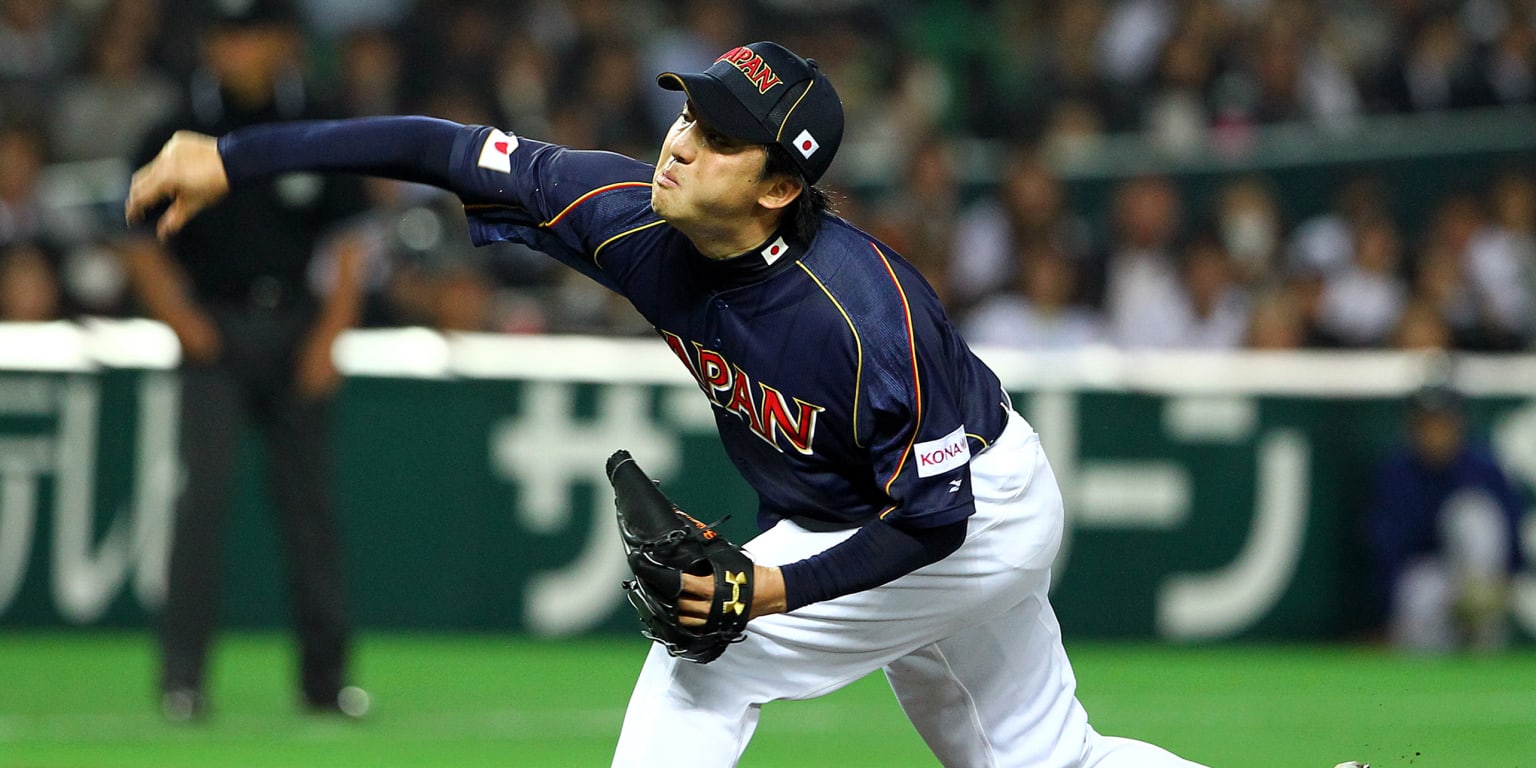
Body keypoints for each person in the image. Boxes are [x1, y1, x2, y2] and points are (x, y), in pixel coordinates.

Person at [126, 40, 1365, 768]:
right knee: (1045, 761)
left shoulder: (860, 313)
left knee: (703, 662)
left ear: (779, 185)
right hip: (893, 505)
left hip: (964, 510)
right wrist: (237, 158)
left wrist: (767, 589)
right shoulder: (628, 216)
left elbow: (931, 523)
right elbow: (446, 147)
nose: (679, 140)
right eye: (686, 110)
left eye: (717, 135)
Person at [117, 0, 369, 721]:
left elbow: (351, 241)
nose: (237, 49)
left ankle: (326, 683)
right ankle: (182, 682)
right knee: (202, 504)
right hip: (215, 328)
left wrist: (331, 334)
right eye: (226, 35)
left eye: (251, 33)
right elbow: (137, 239)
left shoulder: (317, 121)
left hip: (297, 325)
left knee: (310, 511)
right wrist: (183, 320)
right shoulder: (173, 129)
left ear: (282, 42)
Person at [1364, 383, 1526, 653]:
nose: (1435, 434)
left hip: (1481, 580)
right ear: (1412, 428)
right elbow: (1387, 549)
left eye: (1443, 424)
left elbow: (1510, 533)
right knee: (1418, 597)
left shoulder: (1484, 470)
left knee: (1471, 512)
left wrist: (1506, 580)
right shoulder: (1397, 473)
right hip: (1429, 583)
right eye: (1427, 425)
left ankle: (1480, 619)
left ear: (1459, 425)